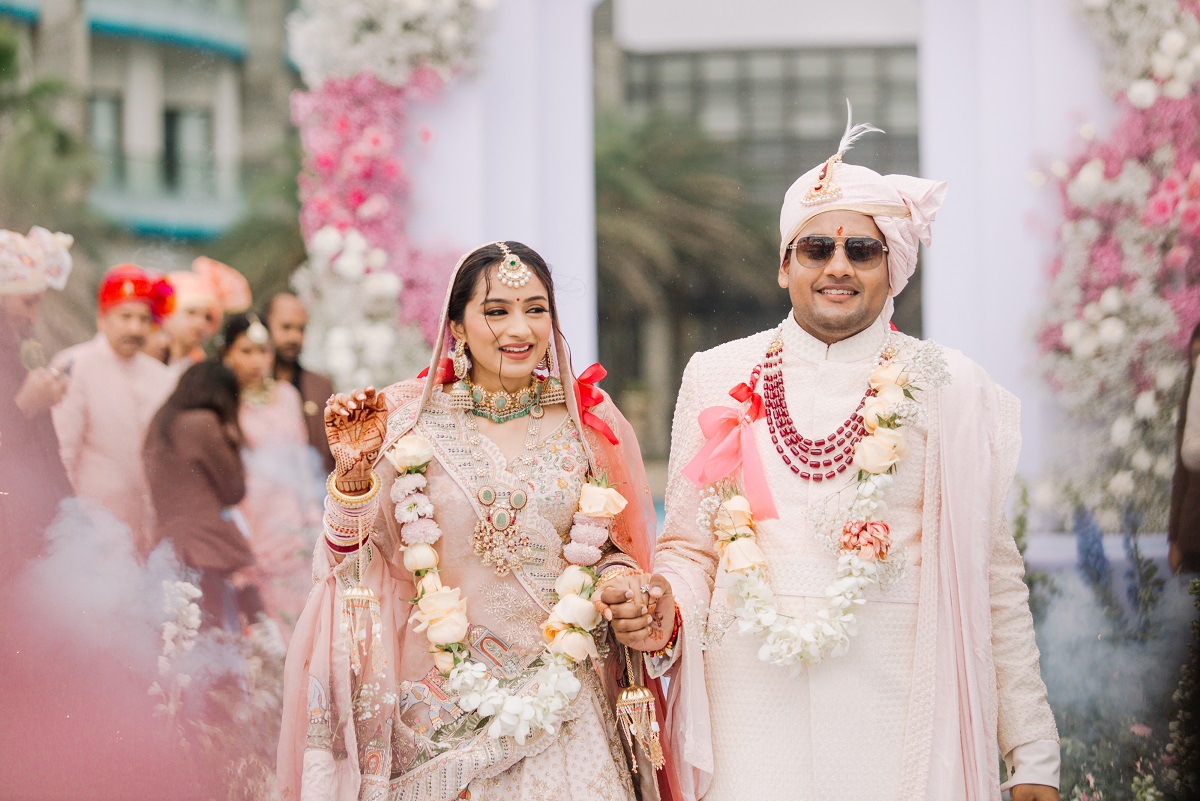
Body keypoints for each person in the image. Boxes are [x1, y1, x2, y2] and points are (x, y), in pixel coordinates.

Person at [601, 120, 1061, 801]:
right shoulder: (718, 375)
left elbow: (992, 579)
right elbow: (692, 551)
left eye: (862, 250)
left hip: (894, 718)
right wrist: (665, 601)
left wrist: (1032, 755)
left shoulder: (947, 387)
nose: (838, 266)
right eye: (816, 247)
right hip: (750, 718)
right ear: (785, 265)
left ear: (891, 267)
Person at [277, 241, 675, 801]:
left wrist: (622, 584)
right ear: (457, 326)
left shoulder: (588, 423)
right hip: (440, 710)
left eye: (536, 309)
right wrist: (352, 477)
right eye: (496, 311)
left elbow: (612, 551)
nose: (520, 328)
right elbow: (350, 566)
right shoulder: (410, 419)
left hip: (564, 708)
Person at [51, 264, 175, 558]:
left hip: (148, 533)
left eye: (143, 319)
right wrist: (68, 525)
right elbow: (62, 454)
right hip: (91, 530)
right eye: (125, 317)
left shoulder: (162, 376)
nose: (135, 328)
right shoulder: (75, 366)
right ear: (102, 318)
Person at [143, 360, 261, 632]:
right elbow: (234, 490)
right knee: (217, 637)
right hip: (206, 549)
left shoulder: (160, 423)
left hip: (169, 547)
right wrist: (233, 441)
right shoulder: (203, 423)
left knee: (184, 638)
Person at [221, 312, 320, 632]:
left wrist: (312, 512)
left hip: (295, 516)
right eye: (246, 351)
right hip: (253, 522)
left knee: (309, 615)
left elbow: (302, 459)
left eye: (263, 351)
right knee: (270, 624)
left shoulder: (287, 395)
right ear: (227, 354)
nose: (257, 361)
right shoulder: (225, 404)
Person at [0, 226, 75, 579]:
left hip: (34, 531)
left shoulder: (14, 355)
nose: (32, 317)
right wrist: (25, 407)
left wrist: (76, 518)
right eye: (27, 302)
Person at [264, 291, 336, 474]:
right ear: (266, 326)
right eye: (286, 327)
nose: (294, 337)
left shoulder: (320, 387)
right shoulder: (248, 384)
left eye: (300, 329)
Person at [161, 257, 252, 379]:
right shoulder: (146, 357)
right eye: (191, 312)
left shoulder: (205, 371)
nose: (201, 323)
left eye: (208, 318)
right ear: (168, 315)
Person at [1171, 321, 1200, 573]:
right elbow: (1181, 474)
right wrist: (1174, 539)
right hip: (1194, 534)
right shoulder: (1190, 398)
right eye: (1195, 355)